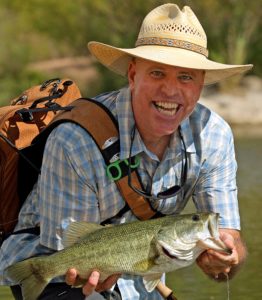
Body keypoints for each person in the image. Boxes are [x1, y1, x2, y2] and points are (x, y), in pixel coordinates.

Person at [0, 3, 252, 300]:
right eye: (157, 73)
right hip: (48, 263)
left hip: (140, 269)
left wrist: (227, 257)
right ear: (133, 75)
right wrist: (97, 272)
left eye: (185, 77)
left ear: (200, 85)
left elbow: (229, 242)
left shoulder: (214, 137)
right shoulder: (76, 140)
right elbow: (69, 251)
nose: (170, 91)